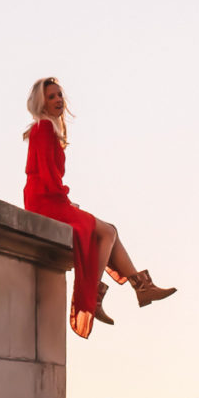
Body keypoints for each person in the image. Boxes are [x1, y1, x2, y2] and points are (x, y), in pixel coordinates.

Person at [23, 76, 175, 338]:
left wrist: (64, 198)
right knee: (105, 232)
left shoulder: (47, 129)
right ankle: (98, 294)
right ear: (42, 103)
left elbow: (49, 176)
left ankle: (140, 287)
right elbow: (47, 176)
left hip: (47, 198)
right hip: (46, 200)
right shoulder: (44, 129)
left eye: (60, 95)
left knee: (109, 229)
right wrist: (65, 199)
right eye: (51, 97)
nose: (58, 99)